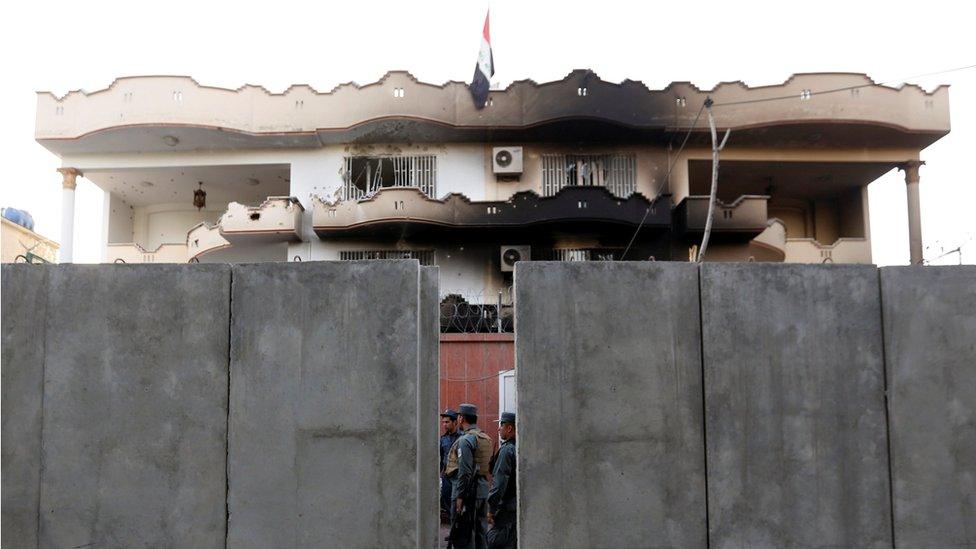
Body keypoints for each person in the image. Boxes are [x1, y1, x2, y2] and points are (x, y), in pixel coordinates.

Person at [447, 403, 493, 549]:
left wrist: (460, 497)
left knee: (463, 536)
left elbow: (465, 472)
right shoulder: (485, 438)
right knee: (481, 533)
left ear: (461, 418)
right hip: (483, 491)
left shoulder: (465, 440)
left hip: (467, 494)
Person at [487, 412, 517, 549]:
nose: (499, 429)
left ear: (509, 428)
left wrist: (491, 508)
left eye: (501, 425)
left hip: (507, 509)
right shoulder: (519, 448)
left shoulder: (507, 450)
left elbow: (499, 483)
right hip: (515, 507)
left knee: (497, 542)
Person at [440, 408, 461, 521]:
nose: (444, 424)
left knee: (456, 502)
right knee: (445, 497)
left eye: (447, 422)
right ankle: (453, 524)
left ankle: (456, 528)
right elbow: (440, 458)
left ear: (455, 422)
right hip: (446, 475)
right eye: (443, 422)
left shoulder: (462, 437)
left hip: (458, 475)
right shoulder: (443, 439)